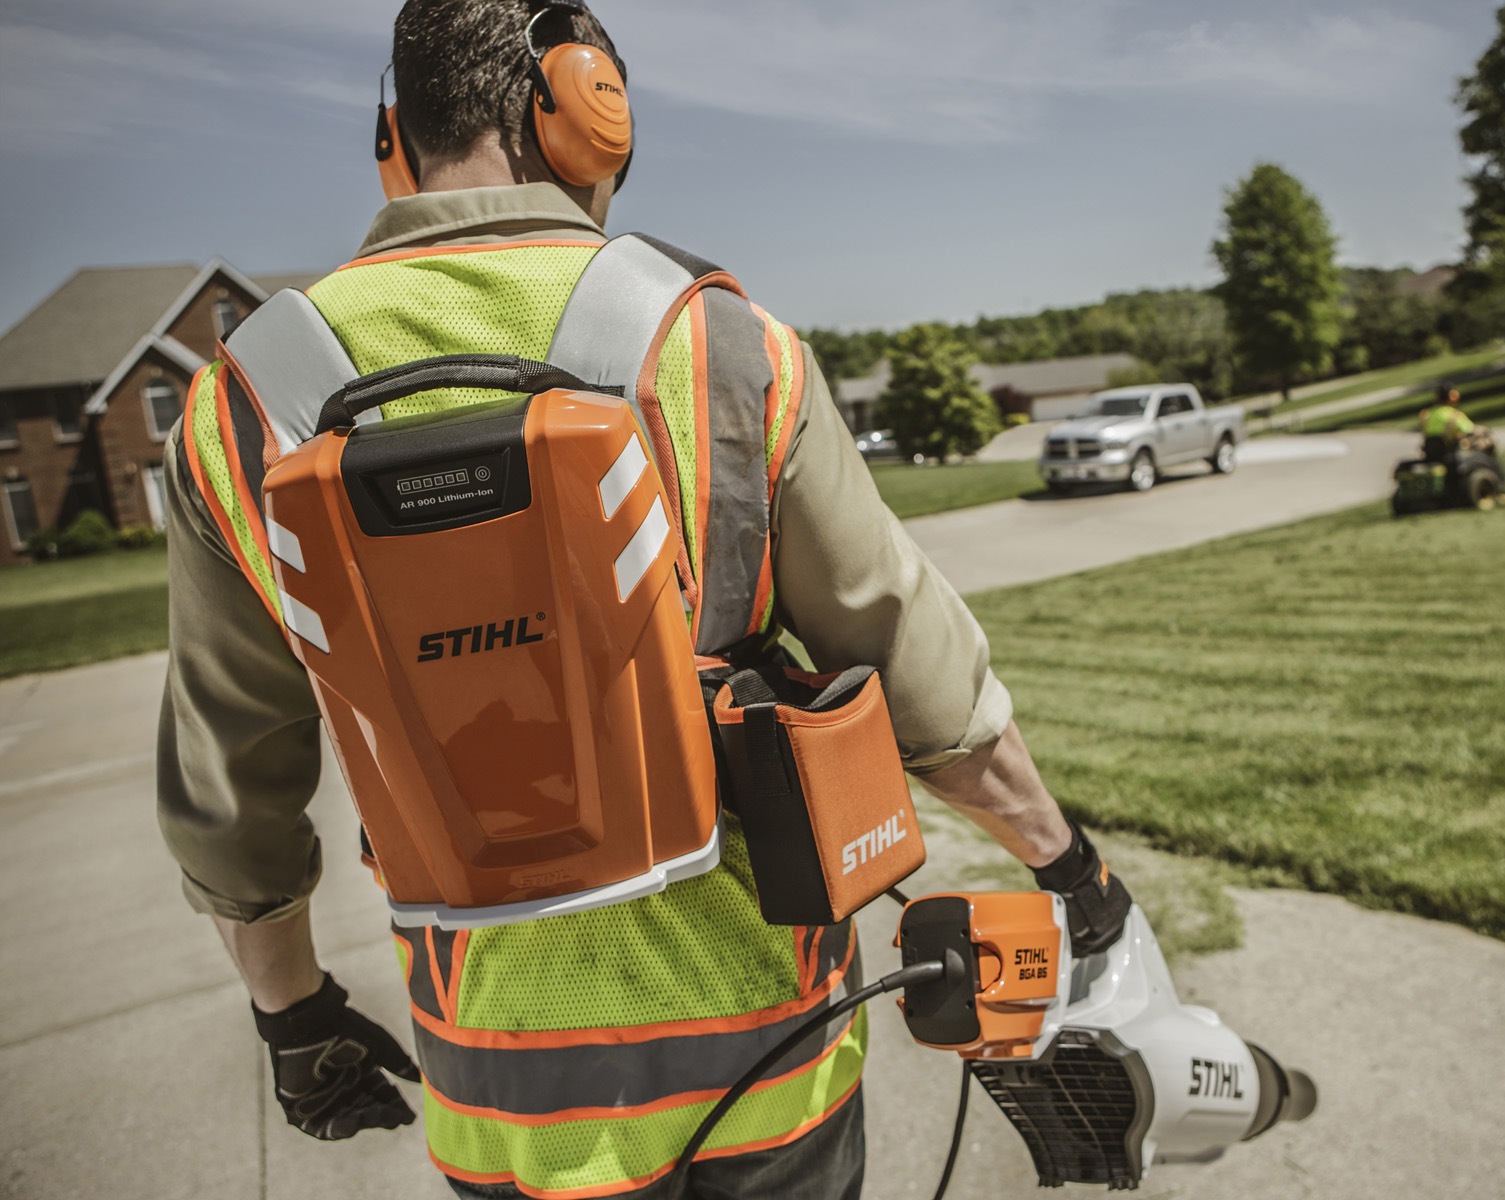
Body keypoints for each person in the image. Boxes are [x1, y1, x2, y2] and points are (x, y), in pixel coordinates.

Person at [154, 2, 1131, 1197]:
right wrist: (1066, 865)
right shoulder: (725, 347)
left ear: (391, 137)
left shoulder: (237, 406)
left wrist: (290, 1017)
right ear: (584, 106)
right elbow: (916, 672)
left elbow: (229, 787)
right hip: (770, 1068)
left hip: (501, 1099)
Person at [1417, 384, 1491, 460]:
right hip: (1449, 454)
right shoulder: (1454, 416)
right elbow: (1471, 429)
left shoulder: (1426, 414)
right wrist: (1485, 430)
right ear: (1452, 397)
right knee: (1484, 440)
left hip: (1430, 452)